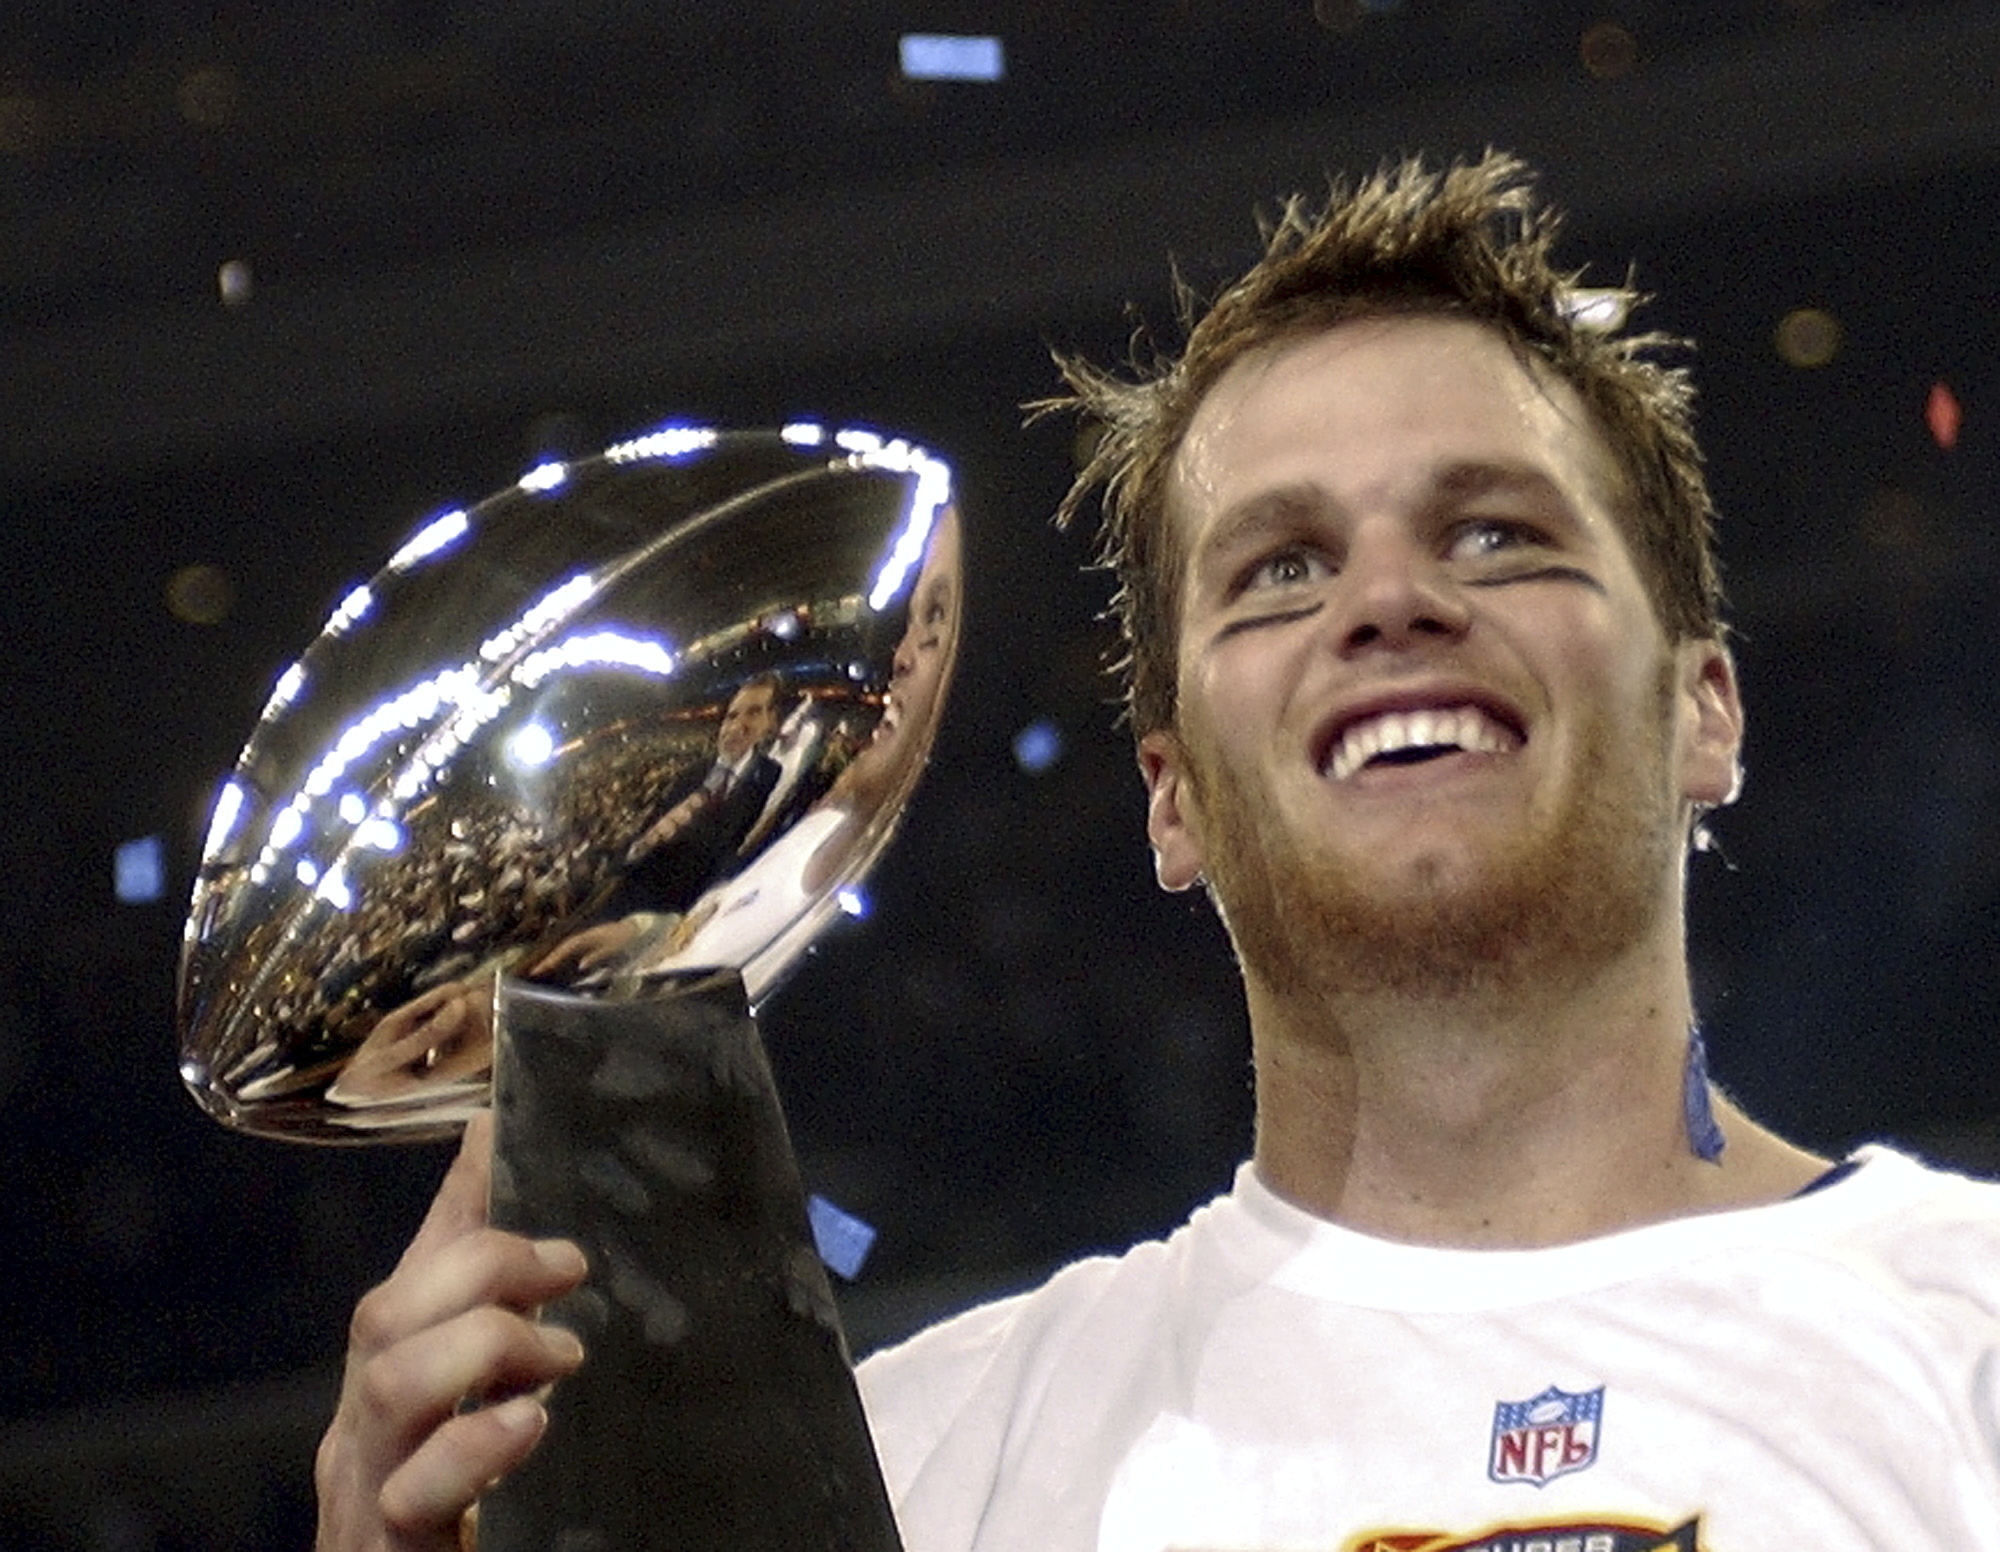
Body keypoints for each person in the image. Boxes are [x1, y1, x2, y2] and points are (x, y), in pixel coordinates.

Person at [314, 153, 2000, 1551]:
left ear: (1706, 707)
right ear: (1171, 796)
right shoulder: (899, 1484)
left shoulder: (1968, 1335)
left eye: (1498, 534)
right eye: (1279, 569)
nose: (1390, 604)